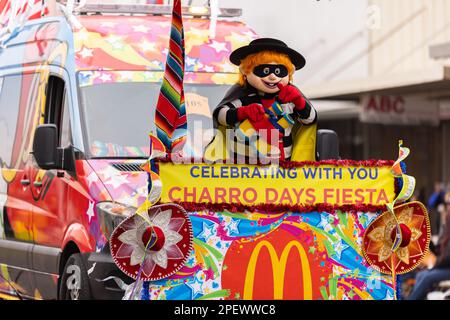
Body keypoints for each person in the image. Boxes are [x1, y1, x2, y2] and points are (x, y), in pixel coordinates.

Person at [209, 38, 317, 163]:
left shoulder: (291, 99)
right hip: (245, 171)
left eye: (279, 71)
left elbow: (310, 120)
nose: (272, 76)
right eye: (265, 70)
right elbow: (220, 116)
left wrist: (299, 101)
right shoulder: (243, 98)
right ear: (246, 72)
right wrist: (242, 112)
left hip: (283, 171)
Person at [407, 201, 450, 300]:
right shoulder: (446, 227)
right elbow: (440, 249)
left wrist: (434, 263)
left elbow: (447, 256)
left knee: (427, 277)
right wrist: (428, 242)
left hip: (447, 268)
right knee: (421, 274)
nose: (447, 207)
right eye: (447, 204)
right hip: (444, 266)